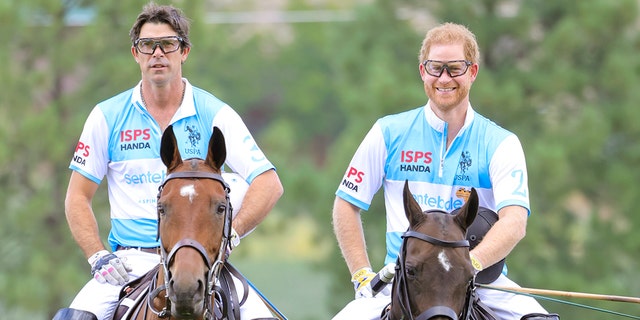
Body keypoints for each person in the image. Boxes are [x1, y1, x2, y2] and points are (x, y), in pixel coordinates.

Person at [53, 3, 283, 320]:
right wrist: (97, 255)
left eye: (168, 44)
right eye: (147, 45)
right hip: (130, 262)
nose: (157, 53)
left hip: (202, 263)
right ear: (135, 53)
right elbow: (77, 197)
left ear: (184, 51)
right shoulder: (106, 116)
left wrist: (232, 234)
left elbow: (268, 183)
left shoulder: (215, 114)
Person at [331, 22, 558, 320]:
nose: (444, 78)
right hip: (402, 282)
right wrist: (361, 273)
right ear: (423, 71)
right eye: (436, 68)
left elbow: (514, 222)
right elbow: (346, 203)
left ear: (473, 72)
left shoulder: (502, 143)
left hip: (480, 280)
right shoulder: (387, 132)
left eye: (455, 68)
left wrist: (468, 265)